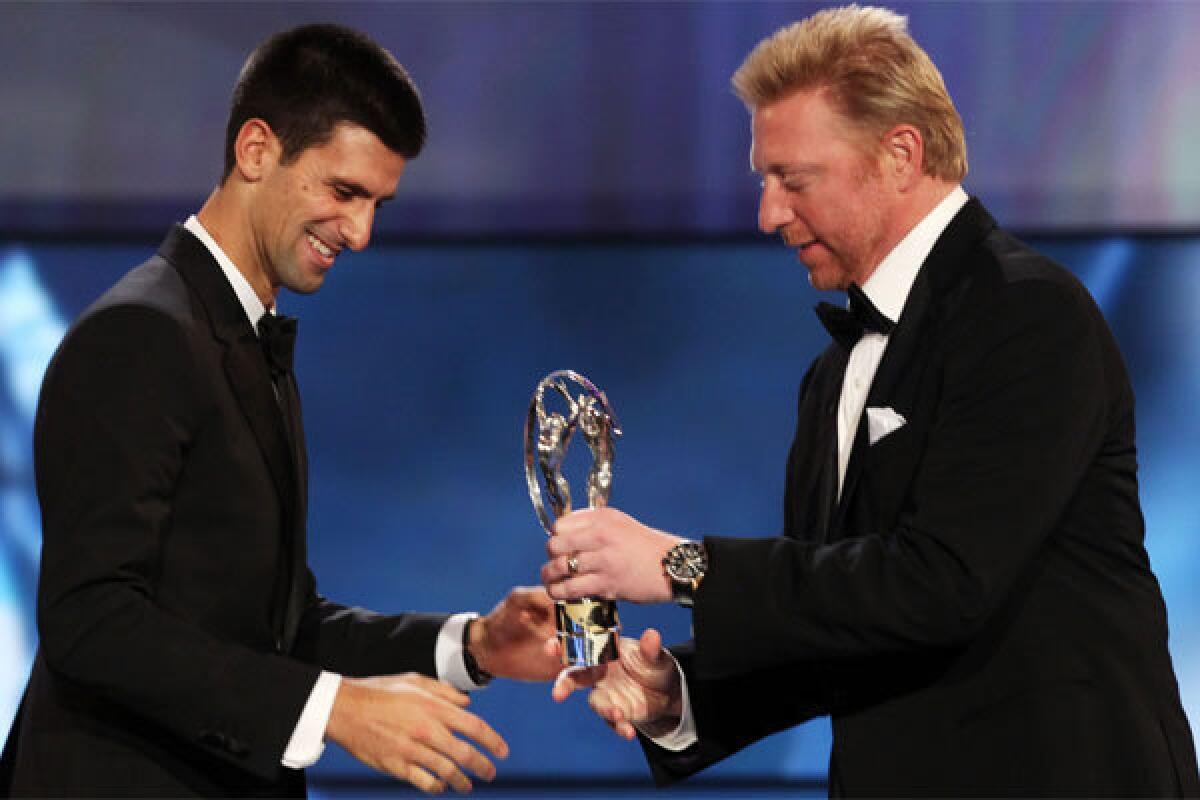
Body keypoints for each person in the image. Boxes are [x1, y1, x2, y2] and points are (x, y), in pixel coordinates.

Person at [541, 6, 1200, 796]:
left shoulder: (1027, 314)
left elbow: (942, 584)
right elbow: (840, 619)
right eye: (764, 180)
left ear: (900, 153)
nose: (769, 213)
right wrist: (677, 698)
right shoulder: (834, 374)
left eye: (794, 179)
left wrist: (683, 566)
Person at [0, 24, 561, 797]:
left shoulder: (235, 336)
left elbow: (277, 626)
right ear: (257, 150)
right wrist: (332, 708)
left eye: (377, 204)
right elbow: (90, 619)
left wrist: (472, 645)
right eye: (343, 192)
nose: (361, 233)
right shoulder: (140, 336)